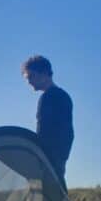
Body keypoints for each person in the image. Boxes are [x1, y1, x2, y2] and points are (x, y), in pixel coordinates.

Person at [21, 55, 74, 191]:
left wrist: (41, 154)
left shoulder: (49, 97)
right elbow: (68, 133)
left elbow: (44, 131)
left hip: (49, 157)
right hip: (58, 155)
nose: (29, 81)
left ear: (44, 73)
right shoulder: (63, 95)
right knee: (56, 193)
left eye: (31, 76)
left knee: (50, 197)